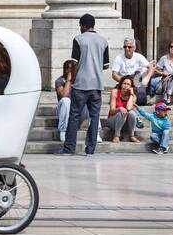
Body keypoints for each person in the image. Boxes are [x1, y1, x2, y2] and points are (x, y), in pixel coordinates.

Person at [58, 13, 110, 156]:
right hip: (97, 85)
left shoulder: (79, 39)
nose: (80, 28)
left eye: (81, 25)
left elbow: (74, 62)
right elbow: (105, 65)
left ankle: (69, 148)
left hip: (81, 84)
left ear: (84, 25)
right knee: (94, 117)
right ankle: (90, 149)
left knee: (74, 115)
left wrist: (73, 77)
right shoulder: (103, 41)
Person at [150, 40, 173, 113]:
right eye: (171, 46)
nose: (172, 48)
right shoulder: (164, 58)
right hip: (166, 84)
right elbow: (155, 70)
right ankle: (168, 98)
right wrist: (162, 73)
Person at [112, 38, 152, 105]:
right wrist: (125, 82)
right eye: (125, 47)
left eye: (129, 47)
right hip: (124, 81)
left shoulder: (139, 56)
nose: (127, 49)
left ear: (134, 48)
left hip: (136, 81)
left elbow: (151, 67)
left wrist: (147, 78)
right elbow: (114, 74)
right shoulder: (118, 58)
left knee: (141, 99)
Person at [105, 75, 139, 144]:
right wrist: (119, 108)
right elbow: (111, 111)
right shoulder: (115, 92)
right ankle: (116, 136)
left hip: (126, 123)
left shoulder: (133, 96)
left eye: (128, 84)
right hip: (113, 121)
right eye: (124, 83)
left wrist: (131, 94)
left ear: (131, 87)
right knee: (122, 112)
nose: (126, 86)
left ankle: (131, 135)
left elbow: (129, 108)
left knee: (132, 113)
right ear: (121, 84)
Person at [54, 59, 76, 143]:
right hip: (62, 110)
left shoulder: (79, 80)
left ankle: (96, 132)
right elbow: (64, 95)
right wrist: (69, 80)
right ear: (66, 70)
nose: (74, 71)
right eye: (71, 69)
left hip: (76, 110)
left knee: (91, 101)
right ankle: (63, 131)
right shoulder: (59, 81)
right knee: (66, 100)